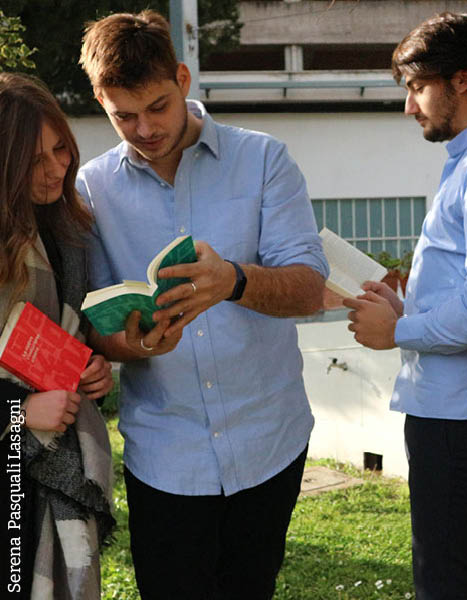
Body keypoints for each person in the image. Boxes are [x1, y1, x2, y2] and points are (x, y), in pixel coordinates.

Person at [76, 10, 328, 599]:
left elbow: (310, 289)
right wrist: (135, 342)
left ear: (183, 80)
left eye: (158, 106)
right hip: (165, 453)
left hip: (269, 440)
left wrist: (234, 281)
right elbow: (96, 325)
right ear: (100, 101)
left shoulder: (264, 159)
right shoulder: (91, 188)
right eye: (124, 116)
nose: (144, 129)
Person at [343, 13, 467, 599]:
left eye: (417, 87)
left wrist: (398, 330)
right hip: (461, 407)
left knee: (445, 581)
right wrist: (405, 304)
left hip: (460, 411)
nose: (409, 107)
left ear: (462, 79)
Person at [0, 72, 115, 599]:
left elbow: (69, 333)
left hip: (56, 461)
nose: (55, 169)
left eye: (61, 149)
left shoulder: (69, 231)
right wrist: (19, 411)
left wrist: (90, 370)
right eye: (33, 160)